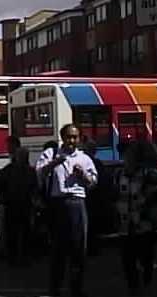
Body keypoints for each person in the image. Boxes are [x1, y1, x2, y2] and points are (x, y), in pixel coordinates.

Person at [36, 124, 97, 297]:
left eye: (75, 137)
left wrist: (83, 175)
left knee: (78, 249)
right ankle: (55, 288)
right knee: (58, 249)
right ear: (62, 137)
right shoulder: (51, 154)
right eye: (69, 137)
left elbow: (93, 182)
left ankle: (76, 288)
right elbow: (40, 174)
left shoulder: (84, 158)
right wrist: (55, 163)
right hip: (58, 204)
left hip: (77, 203)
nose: (72, 141)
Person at [114, 139, 157, 296]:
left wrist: (150, 194)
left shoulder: (147, 173)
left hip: (144, 225)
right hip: (125, 226)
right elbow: (114, 195)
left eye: (130, 156)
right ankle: (134, 288)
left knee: (146, 258)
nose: (127, 159)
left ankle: (146, 284)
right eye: (125, 156)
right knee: (128, 260)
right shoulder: (119, 174)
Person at [0, 147, 37, 266]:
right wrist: (2, 198)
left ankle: (24, 257)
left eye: (24, 155)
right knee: (12, 233)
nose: (22, 158)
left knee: (26, 233)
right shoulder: (8, 170)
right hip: (12, 205)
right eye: (21, 155)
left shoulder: (30, 171)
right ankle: (13, 258)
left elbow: (34, 187)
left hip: (26, 205)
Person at [0, 135, 21, 256]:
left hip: (13, 200)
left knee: (11, 227)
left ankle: (10, 251)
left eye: (9, 145)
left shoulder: (15, 162)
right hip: (13, 200)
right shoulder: (14, 161)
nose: (7, 147)